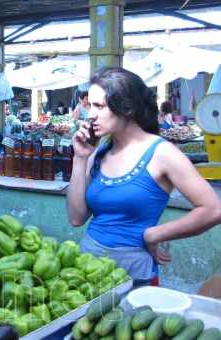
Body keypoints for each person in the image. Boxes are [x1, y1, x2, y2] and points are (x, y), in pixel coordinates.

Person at [66, 67, 221, 286]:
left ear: (126, 107)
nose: (90, 114)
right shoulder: (99, 153)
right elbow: (76, 218)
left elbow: (213, 209)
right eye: (90, 105)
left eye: (99, 106)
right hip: (85, 268)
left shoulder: (162, 153)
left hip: (133, 272)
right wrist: (79, 159)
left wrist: (155, 234)